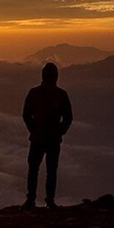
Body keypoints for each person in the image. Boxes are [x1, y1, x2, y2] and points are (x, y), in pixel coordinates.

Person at [21, 62, 73, 210]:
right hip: (43, 138)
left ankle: (37, 200)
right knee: (44, 170)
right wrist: (35, 129)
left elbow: (68, 116)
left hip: (47, 138)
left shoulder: (55, 94)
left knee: (40, 170)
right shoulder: (46, 94)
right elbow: (26, 115)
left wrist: (59, 131)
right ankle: (39, 200)